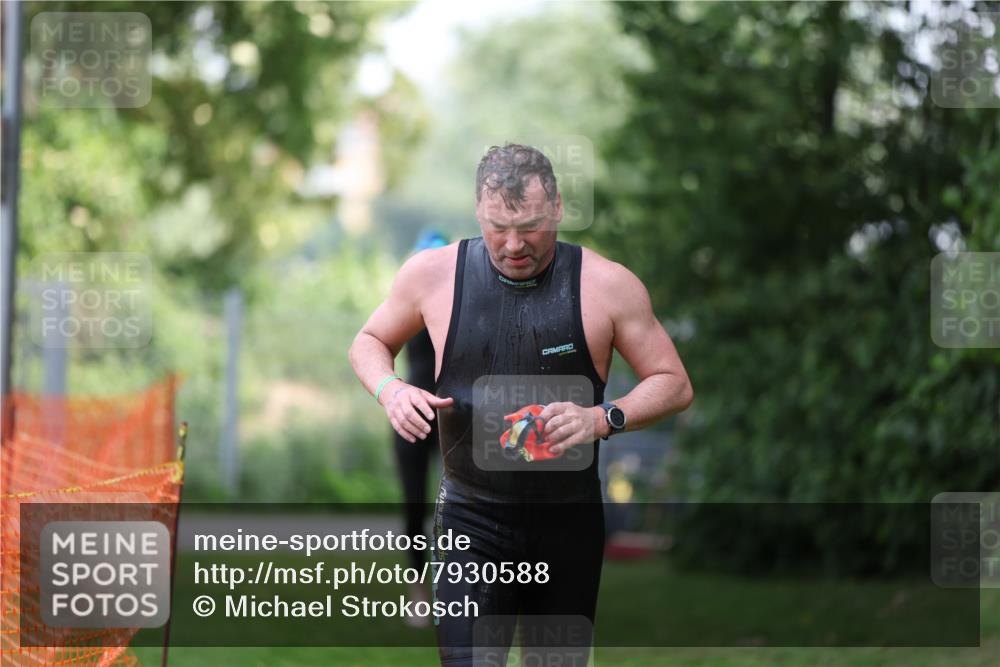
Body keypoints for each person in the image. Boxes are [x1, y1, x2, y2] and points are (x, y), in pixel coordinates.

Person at [349, 143, 693, 666]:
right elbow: (369, 341)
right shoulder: (432, 275)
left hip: (567, 525)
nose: (512, 244)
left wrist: (602, 418)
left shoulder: (606, 286)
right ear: (477, 211)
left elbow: (673, 382)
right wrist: (390, 389)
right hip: (471, 520)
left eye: (529, 225)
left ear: (556, 207)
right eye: (496, 226)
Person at [393, 229, 448, 629]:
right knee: (415, 506)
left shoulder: (462, 304)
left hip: (453, 416)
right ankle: (418, 593)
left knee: (460, 508)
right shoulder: (408, 301)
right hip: (413, 415)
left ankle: (458, 591)